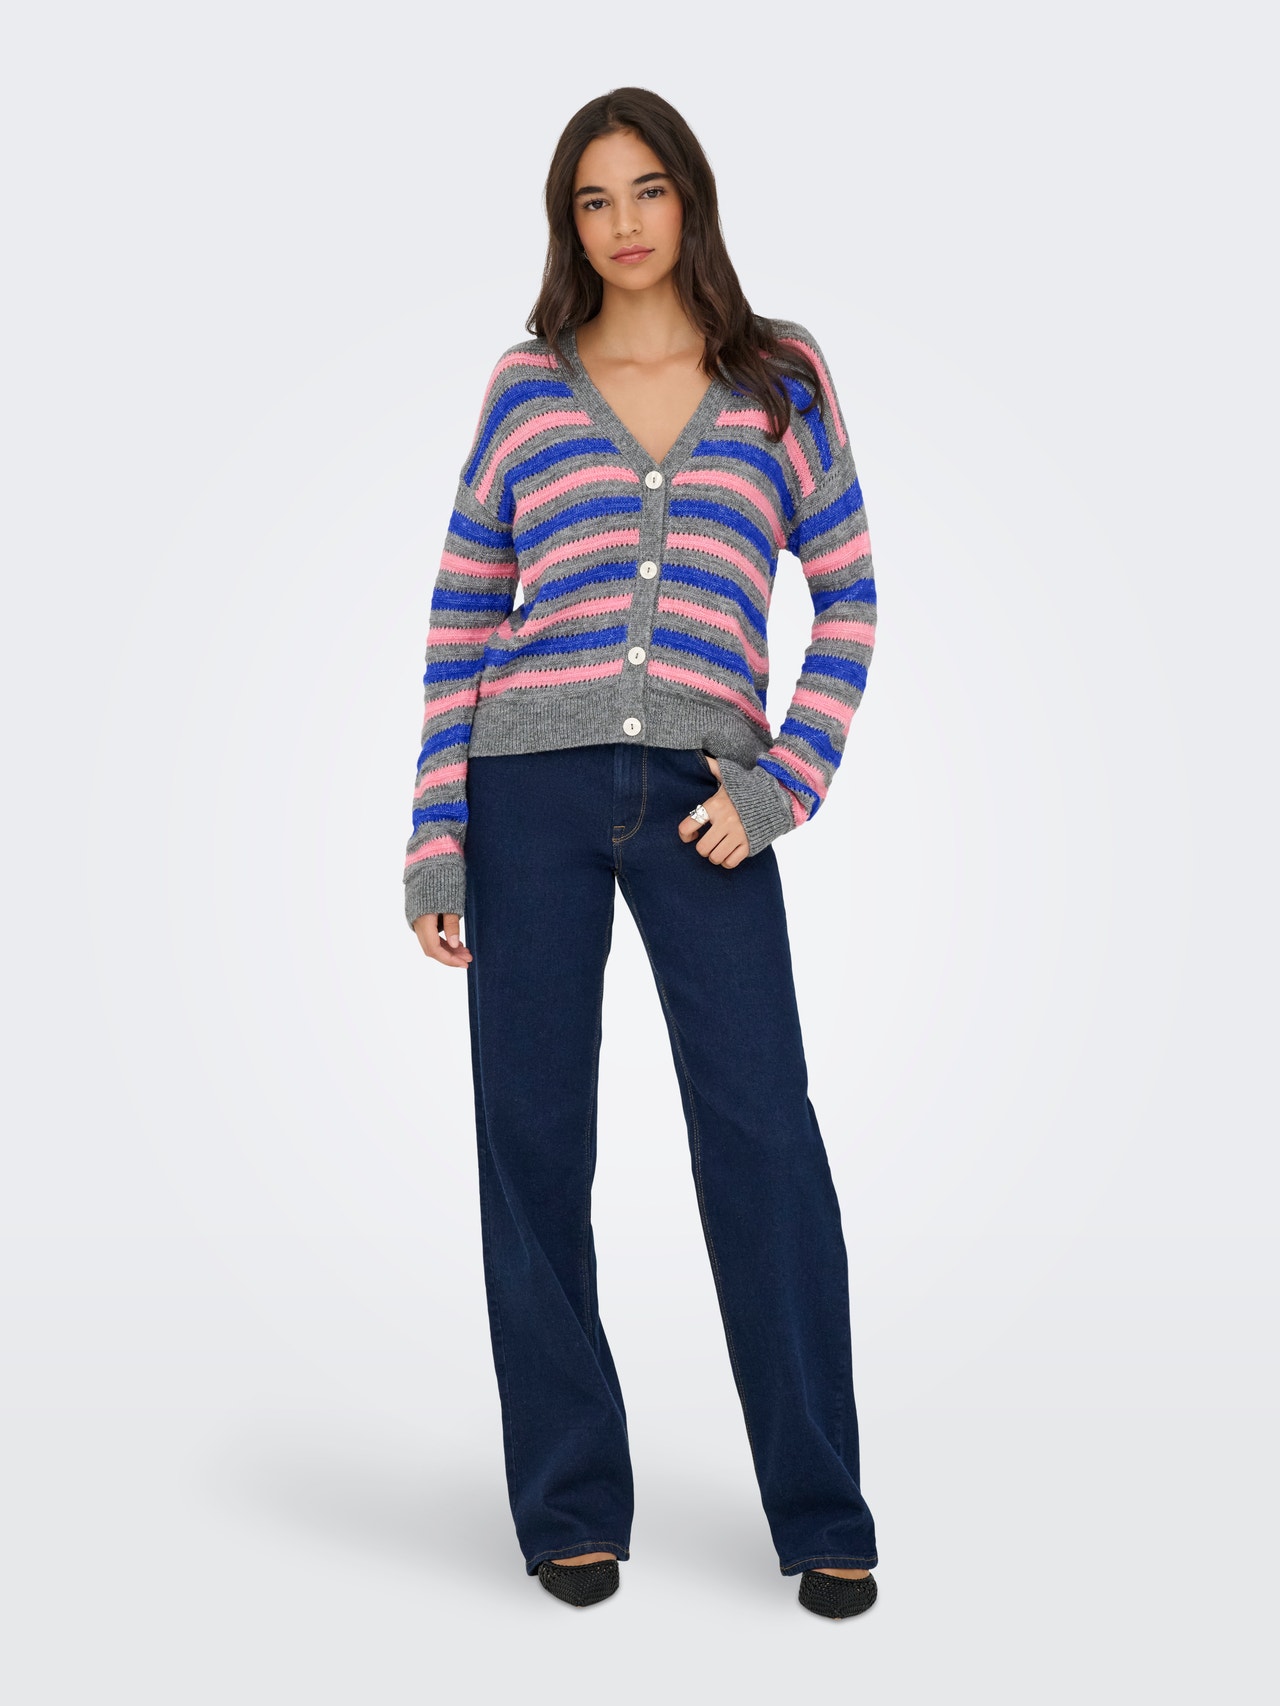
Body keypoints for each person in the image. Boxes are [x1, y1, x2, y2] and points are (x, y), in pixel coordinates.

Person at [402, 87, 880, 1620]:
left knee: (764, 1136)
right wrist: (435, 836)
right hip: (523, 790)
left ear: (692, 198)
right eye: (594, 199)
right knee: (532, 1141)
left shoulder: (780, 377)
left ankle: (823, 1508)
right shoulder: (527, 385)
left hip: (705, 798)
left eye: (648, 189)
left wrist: (784, 782)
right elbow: (463, 610)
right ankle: (569, 1505)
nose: (623, 223)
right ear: (570, 222)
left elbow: (851, 599)